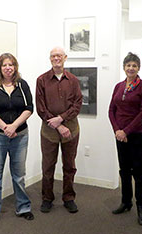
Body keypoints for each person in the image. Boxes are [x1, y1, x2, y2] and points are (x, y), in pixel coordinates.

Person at [0, 53, 34, 229]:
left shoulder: (22, 84)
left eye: (11, 64)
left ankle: (23, 207)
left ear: (15, 67)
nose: (8, 68)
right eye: (4, 65)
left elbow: (29, 108)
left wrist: (14, 126)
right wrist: (5, 127)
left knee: (19, 175)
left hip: (20, 136)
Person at [36, 47, 82, 214]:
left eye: (59, 56)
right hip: (49, 131)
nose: (56, 58)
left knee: (69, 166)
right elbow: (40, 108)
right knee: (48, 166)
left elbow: (77, 105)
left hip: (71, 130)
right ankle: (47, 198)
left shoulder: (74, 80)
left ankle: (68, 198)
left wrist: (61, 119)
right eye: (53, 56)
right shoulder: (41, 80)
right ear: (50, 59)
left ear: (65, 58)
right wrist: (58, 125)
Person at [108, 52, 142, 225]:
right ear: (124, 67)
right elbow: (111, 110)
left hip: (138, 135)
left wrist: (126, 131)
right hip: (120, 136)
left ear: (138, 68)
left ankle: (141, 205)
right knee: (124, 170)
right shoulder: (119, 86)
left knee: (139, 172)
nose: (131, 68)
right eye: (128, 65)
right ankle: (126, 202)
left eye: (134, 65)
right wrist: (117, 130)